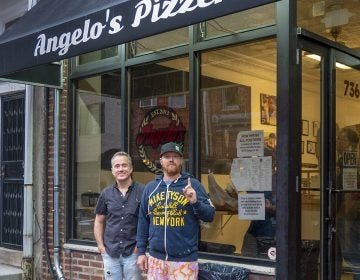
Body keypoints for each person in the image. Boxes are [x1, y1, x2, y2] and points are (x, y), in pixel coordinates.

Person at [136, 142, 215, 279]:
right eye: (167, 156)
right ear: (161, 161)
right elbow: (143, 221)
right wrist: (141, 252)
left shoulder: (193, 184)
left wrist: (196, 203)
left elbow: (210, 215)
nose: (171, 159)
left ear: (181, 161)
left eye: (175, 156)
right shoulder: (150, 188)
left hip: (184, 260)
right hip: (156, 259)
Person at [94, 151, 144, 280]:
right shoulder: (106, 194)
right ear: (112, 171)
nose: (121, 169)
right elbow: (99, 221)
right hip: (110, 253)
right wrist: (101, 246)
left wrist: (139, 247)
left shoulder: (143, 191)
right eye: (117, 166)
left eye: (124, 165)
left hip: (133, 253)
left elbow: (148, 222)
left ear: (131, 168)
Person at [335, 127, 360, 279]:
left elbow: (352, 189)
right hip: (344, 213)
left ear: (349, 143)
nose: (337, 142)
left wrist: (345, 212)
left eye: (340, 139)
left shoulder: (351, 160)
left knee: (353, 255)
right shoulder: (343, 160)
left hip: (350, 214)